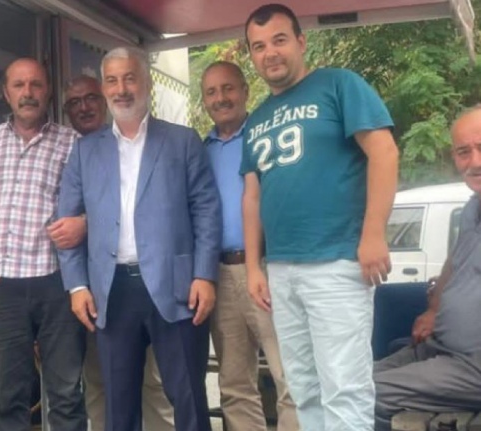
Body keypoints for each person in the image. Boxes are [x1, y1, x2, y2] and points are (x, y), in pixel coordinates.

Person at [240, 4, 399, 431]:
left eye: (279, 40)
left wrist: (373, 234)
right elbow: (252, 196)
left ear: (300, 42)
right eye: (259, 46)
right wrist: (254, 267)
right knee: (304, 389)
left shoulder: (338, 84)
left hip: (337, 261)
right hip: (282, 270)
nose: (270, 53)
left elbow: (384, 152)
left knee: (344, 389)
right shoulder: (257, 119)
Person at [57, 46, 221, 431]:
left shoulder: (182, 141)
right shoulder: (84, 150)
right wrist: (77, 286)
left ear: (146, 82)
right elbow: (66, 224)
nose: (122, 89)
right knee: (119, 406)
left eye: (130, 78)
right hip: (111, 291)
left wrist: (204, 275)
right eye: (112, 81)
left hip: (178, 287)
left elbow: (206, 210)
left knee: (189, 399)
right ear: (104, 88)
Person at [0, 57, 86, 431]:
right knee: (8, 394)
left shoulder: (72, 143)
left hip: (57, 283)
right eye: (19, 85)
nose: (28, 93)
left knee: (65, 392)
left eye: (36, 85)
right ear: (6, 94)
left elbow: (97, 204)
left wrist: (84, 224)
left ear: (48, 92)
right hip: (1, 284)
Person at [59, 74, 175, 431]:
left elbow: (147, 211)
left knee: (155, 382)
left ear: (105, 99)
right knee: (100, 382)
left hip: (146, 283)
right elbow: (62, 223)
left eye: (91, 98)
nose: (84, 107)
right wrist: (77, 285)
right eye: (74, 103)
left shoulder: (141, 141)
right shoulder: (68, 147)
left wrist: (86, 222)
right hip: (90, 293)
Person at [201, 61, 298, 431]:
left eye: (228, 88)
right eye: (211, 92)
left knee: (289, 376)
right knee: (234, 383)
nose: (220, 98)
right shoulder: (200, 150)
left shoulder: (265, 135)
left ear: (245, 90)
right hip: (219, 274)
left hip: (267, 269)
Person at [374, 106, 481, 430]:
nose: (474, 161)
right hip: (441, 346)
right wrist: (434, 308)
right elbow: (456, 260)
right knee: (346, 381)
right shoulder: (472, 207)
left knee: (364, 394)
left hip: (473, 366)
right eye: (464, 152)